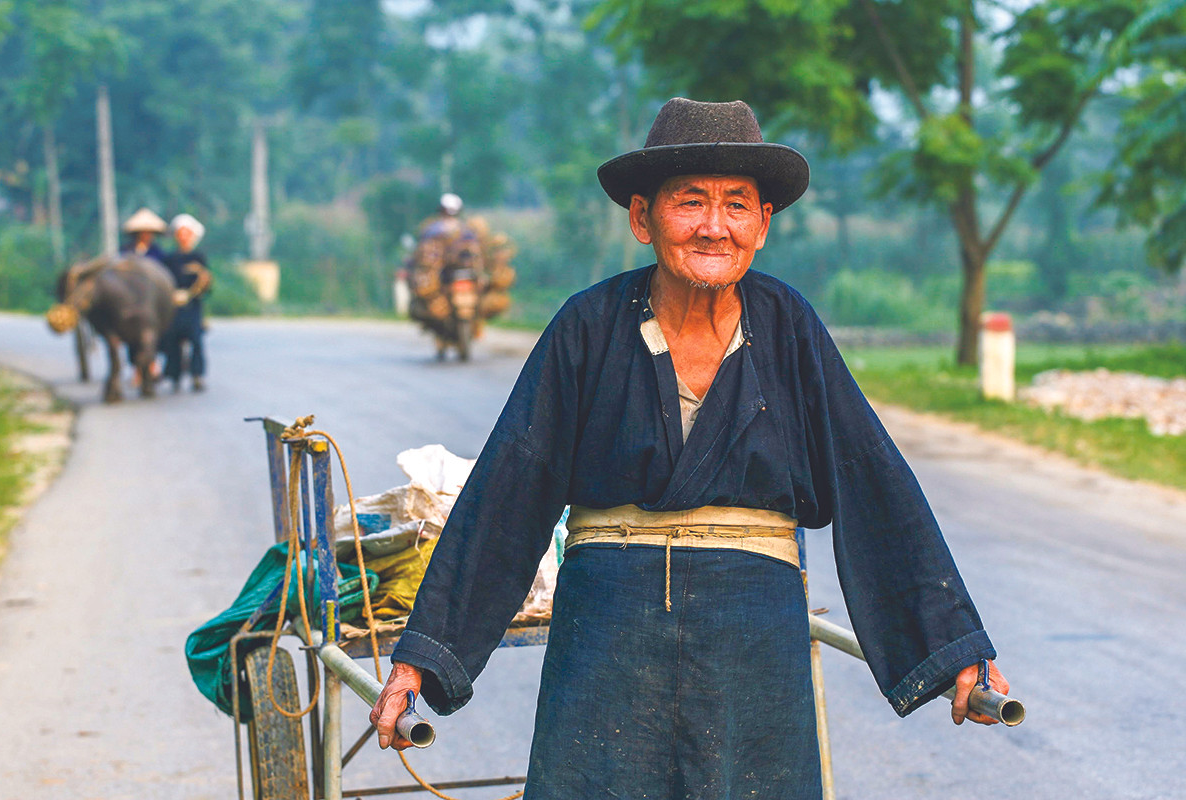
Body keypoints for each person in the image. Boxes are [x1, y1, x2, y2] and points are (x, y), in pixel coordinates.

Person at [370, 98, 1010, 799]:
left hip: (753, 638)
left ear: (763, 223)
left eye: (736, 205)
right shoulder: (588, 326)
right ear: (643, 218)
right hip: (608, 636)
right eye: (691, 202)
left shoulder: (788, 326)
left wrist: (951, 645)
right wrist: (423, 657)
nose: (714, 226)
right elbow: (509, 492)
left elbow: (871, 481)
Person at [161, 213, 212, 392]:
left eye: (186, 233)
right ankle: (174, 375)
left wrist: (194, 291)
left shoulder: (198, 258)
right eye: (180, 233)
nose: (183, 236)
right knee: (172, 340)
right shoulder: (169, 259)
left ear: (192, 235)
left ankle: (197, 375)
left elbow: (206, 283)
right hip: (173, 306)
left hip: (192, 305)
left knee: (196, 340)